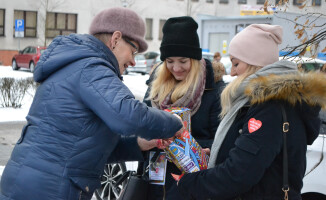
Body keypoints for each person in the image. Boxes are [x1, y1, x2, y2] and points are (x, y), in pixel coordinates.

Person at [0, 7, 184, 200]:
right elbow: (129, 115)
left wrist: (137, 144)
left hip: (33, 182)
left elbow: (85, 148)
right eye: (133, 50)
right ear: (115, 39)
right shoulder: (91, 67)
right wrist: (174, 123)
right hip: (49, 188)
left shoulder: (78, 65)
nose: (132, 61)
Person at [177, 24, 326, 199]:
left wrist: (188, 182)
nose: (231, 72)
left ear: (255, 64)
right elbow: (255, 152)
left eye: (236, 63)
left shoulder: (270, 106)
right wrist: (219, 151)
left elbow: (239, 173)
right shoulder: (268, 102)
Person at [140, 16, 221, 200]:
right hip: (154, 181)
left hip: (192, 185)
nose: (176, 68)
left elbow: (221, 140)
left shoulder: (212, 90)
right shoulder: (155, 88)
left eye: (183, 61)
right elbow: (140, 126)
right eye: (169, 61)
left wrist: (195, 147)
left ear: (194, 59)